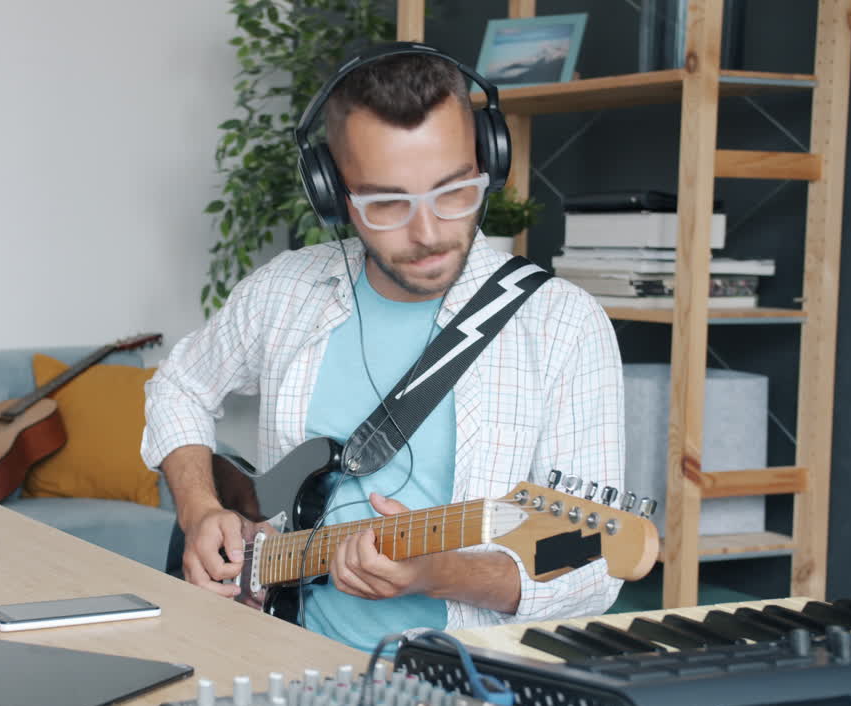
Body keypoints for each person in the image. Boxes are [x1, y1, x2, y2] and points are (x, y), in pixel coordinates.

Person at [141, 46, 624, 651]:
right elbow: (179, 385)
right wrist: (199, 511)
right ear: (333, 193)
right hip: (273, 653)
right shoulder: (285, 291)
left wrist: (437, 573)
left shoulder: (562, 325)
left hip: (455, 680)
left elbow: (589, 562)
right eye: (388, 204)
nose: (428, 233)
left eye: (455, 192)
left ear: (489, 161)